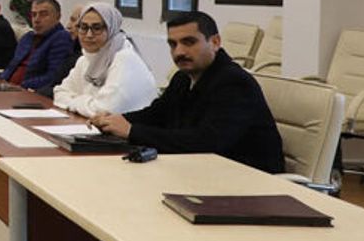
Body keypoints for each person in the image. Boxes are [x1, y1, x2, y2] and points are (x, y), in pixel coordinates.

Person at [92, 11, 284, 174]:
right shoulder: (183, 78)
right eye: (173, 44)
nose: (179, 52)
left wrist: (132, 131)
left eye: (189, 42)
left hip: (247, 180)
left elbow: (206, 142)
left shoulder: (234, 83)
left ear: (215, 42)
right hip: (201, 171)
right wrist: (114, 121)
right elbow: (157, 114)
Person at [53, 1, 156, 116]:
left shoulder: (125, 59)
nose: (89, 35)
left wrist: (76, 101)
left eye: (97, 28)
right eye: (83, 27)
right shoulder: (85, 59)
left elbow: (105, 110)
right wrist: (88, 103)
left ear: (111, 29)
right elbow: (59, 93)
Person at [0, 0, 75, 94]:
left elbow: (53, 76)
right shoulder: (27, 37)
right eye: (33, 15)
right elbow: (11, 66)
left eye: (43, 14)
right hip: (7, 89)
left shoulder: (61, 38)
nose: (36, 19)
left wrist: (20, 86)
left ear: (58, 17)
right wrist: (1, 81)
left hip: (29, 93)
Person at [37, 4, 83, 98]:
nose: (68, 26)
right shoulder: (74, 50)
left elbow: (63, 89)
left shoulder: (62, 41)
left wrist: (38, 91)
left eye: (74, 20)